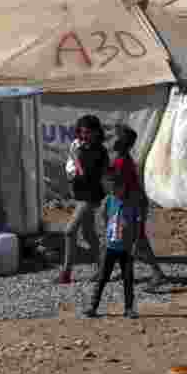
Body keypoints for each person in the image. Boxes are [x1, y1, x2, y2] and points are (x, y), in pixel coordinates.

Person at [110, 124, 169, 291]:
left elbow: (120, 186)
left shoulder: (122, 161)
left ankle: (157, 273)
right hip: (132, 202)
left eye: (117, 137)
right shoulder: (123, 159)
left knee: (138, 240)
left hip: (133, 204)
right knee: (127, 238)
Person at [57, 115, 109, 284]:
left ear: (96, 132)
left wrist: (76, 158)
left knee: (69, 231)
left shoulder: (98, 151)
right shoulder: (83, 147)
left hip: (90, 196)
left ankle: (66, 273)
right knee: (88, 233)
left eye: (87, 132)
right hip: (81, 195)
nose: (84, 135)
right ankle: (103, 268)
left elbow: (86, 175)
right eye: (82, 132)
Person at [84, 171, 141, 319]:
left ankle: (129, 308)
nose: (114, 191)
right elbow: (102, 219)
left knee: (128, 279)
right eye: (112, 188)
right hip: (110, 247)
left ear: (123, 187)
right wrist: (104, 237)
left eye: (117, 188)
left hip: (126, 248)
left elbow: (137, 224)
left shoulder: (132, 203)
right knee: (102, 278)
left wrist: (135, 243)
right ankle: (93, 306)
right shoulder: (108, 201)